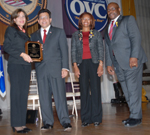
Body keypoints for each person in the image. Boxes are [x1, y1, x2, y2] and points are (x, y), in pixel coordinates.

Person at [105, 2, 147, 127]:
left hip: (131, 61)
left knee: (133, 89)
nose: (111, 11)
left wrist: (134, 56)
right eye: (108, 10)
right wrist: (109, 64)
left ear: (119, 9)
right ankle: (133, 114)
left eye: (113, 8)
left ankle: (136, 117)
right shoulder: (108, 27)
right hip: (118, 64)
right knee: (127, 91)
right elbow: (108, 46)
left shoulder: (128, 20)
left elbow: (136, 37)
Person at [30, 9, 72, 131]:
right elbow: (33, 56)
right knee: (44, 97)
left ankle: (65, 121)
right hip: (41, 70)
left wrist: (65, 68)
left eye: (46, 17)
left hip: (57, 70)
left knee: (60, 97)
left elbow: (64, 51)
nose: (43, 20)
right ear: (38, 21)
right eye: (41, 18)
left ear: (50, 19)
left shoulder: (59, 32)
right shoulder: (34, 35)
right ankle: (47, 122)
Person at [71, 12, 104, 127]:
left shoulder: (97, 34)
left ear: (91, 21)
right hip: (81, 64)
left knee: (95, 90)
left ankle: (96, 118)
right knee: (84, 91)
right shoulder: (75, 35)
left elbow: (100, 49)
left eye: (88, 19)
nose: (86, 21)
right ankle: (85, 118)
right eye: (83, 19)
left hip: (94, 63)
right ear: (80, 21)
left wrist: (101, 64)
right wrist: (75, 66)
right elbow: (73, 51)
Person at [3, 9, 33, 133]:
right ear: (14, 19)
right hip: (16, 65)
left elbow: (29, 49)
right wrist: (22, 54)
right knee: (16, 94)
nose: (21, 18)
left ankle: (22, 123)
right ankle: (16, 124)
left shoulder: (26, 34)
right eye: (18, 16)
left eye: (23, 16)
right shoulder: (11, 30)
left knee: (23, 94)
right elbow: (7, 46)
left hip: (26, 66)